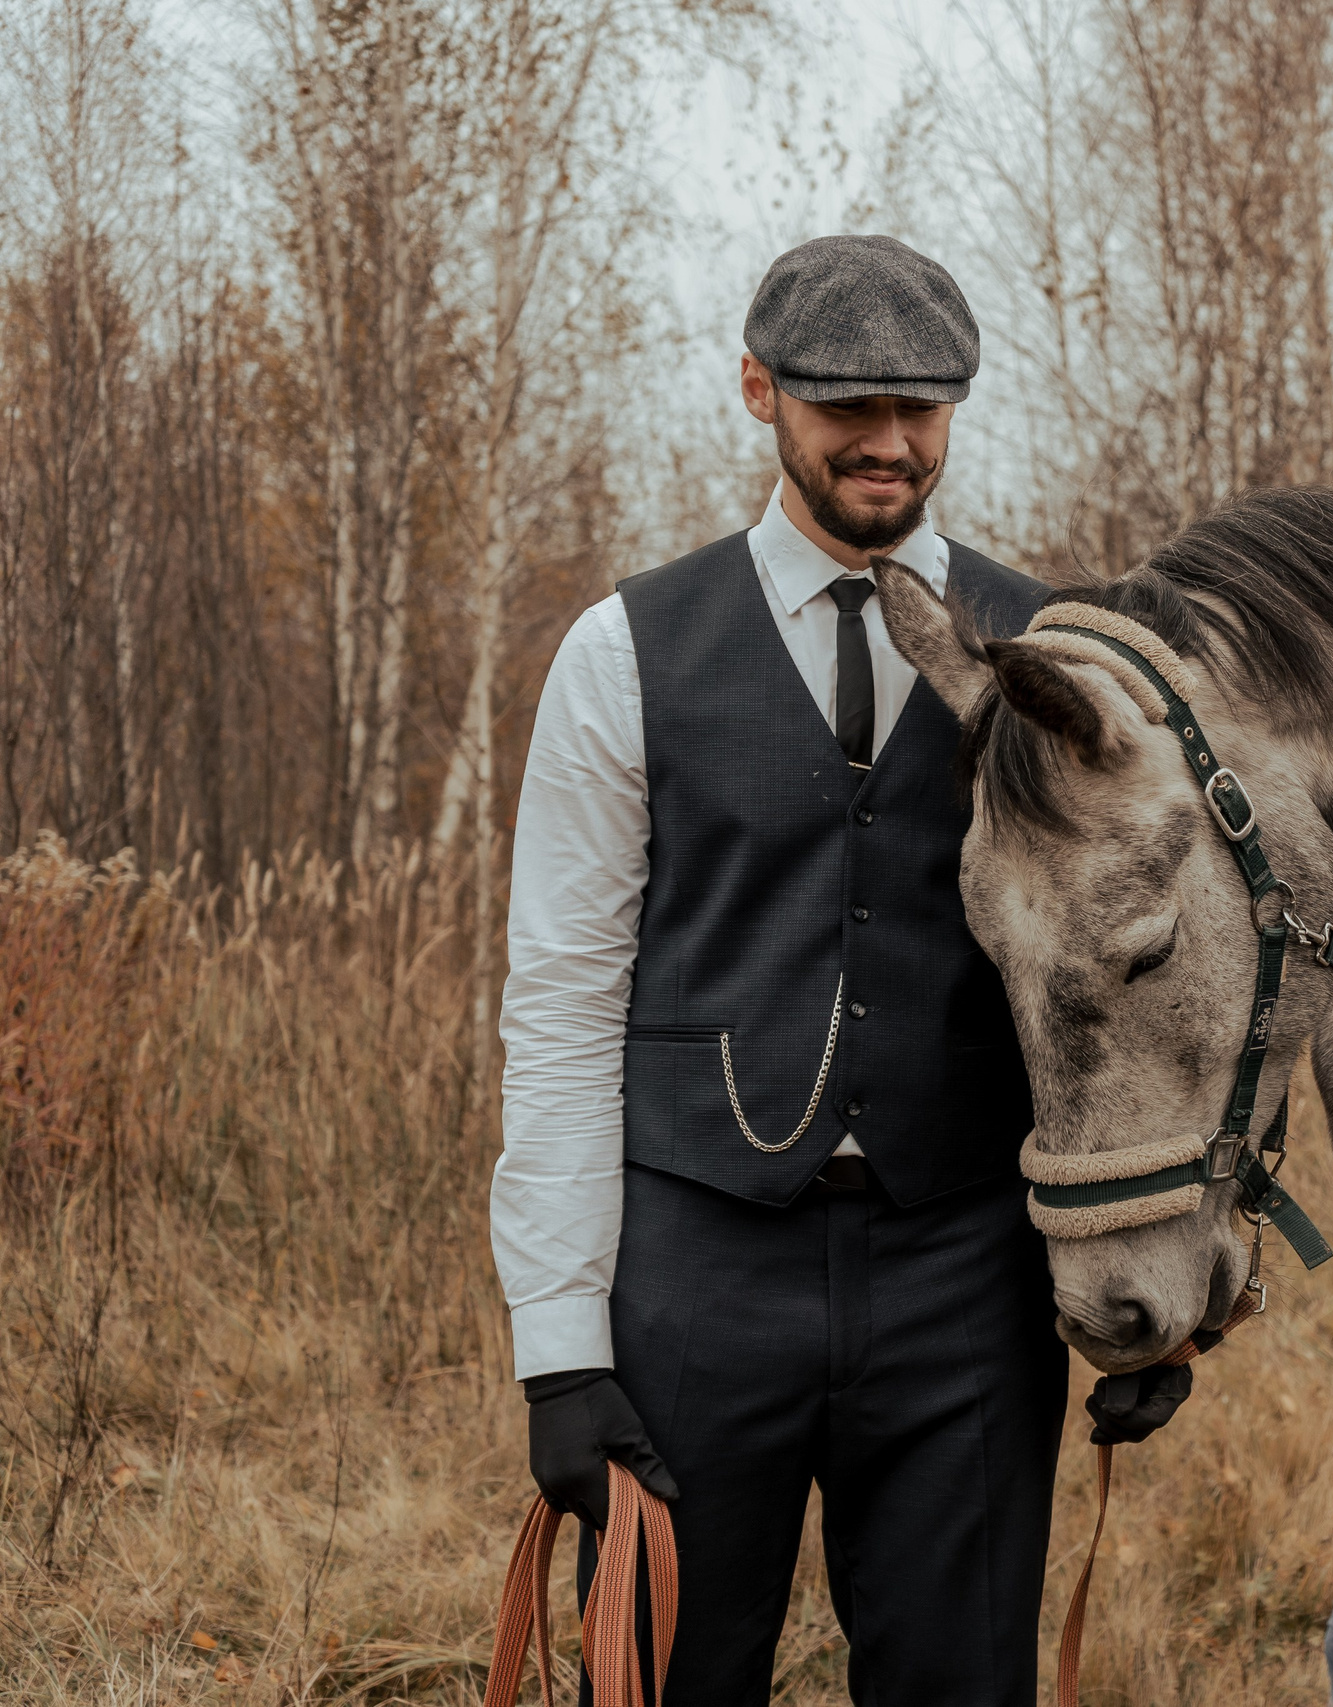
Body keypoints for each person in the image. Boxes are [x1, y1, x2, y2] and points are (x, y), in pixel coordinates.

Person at [490, 235, 1069, 1704]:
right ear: (759, 390)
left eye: (923, 409)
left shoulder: (1053, 652)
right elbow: (563, 1006)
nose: (889, 443)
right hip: (696, 1269)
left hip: (968, 1273)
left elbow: (1119, 995)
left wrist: (1153, 1279)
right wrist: (561, 1345)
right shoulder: (623, 653)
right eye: (846, 407)